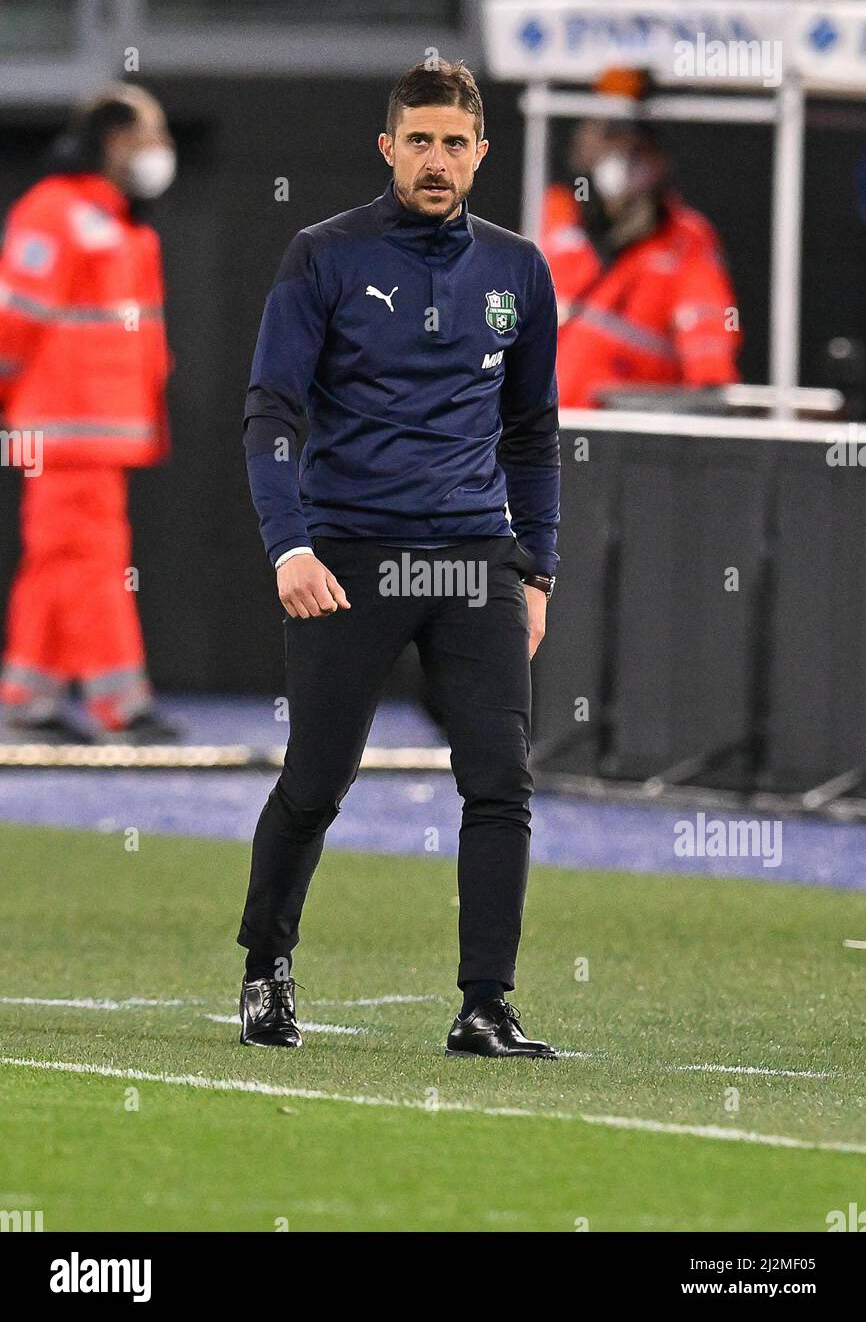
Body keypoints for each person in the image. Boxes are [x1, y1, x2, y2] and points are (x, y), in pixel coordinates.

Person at [237, 60, 561, 1059]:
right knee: (317, 779)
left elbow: (533, 433)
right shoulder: (321, 255)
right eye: (416, 140)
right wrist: (287, 543)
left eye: (452, 142)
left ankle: (484, 1003)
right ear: (387, 148)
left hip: (474, 560)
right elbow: (270, 415)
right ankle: (263, 967)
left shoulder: (517, 269)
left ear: (479, 153)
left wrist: (536, 568)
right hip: (348, 556)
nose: (434, 159)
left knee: (500, 779)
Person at [0, 84, 177, 740]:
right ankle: (119, 706)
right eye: (151, 133)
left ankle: (27, 701)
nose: (161, 149)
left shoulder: (119, 224)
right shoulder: (55, 214)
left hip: (96, 433)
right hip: (65, 432)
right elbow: (11, 324)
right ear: (114, 141)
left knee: (58, 561)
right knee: (92, 564)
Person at [540, 68, 740, 408]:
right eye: (608, 135)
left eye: (636, 145)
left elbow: (709, 343)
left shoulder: (685, 241)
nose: (620, 155)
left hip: (622, 439)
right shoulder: (553, 217)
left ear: (659, 159)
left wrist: (709, 389)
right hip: (541, 431)